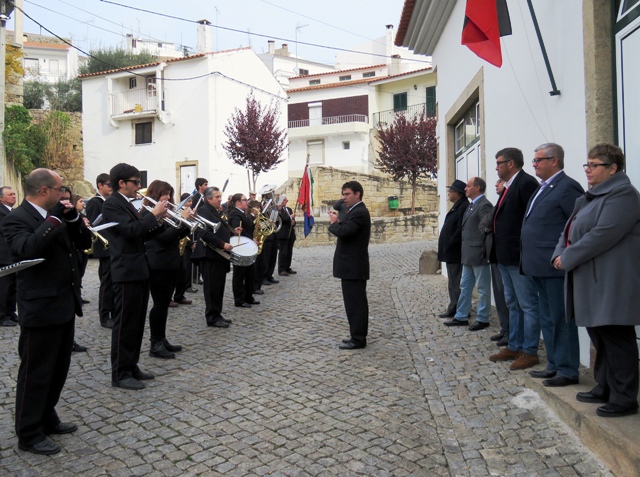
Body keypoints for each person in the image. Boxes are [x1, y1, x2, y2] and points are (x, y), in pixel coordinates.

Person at [3, 168, 92, 455]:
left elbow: (83, 245)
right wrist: (54, 220)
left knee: (58, 370)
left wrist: (74, 220)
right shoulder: (16, 219)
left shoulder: (57, 217)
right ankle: (28, 433)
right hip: (39, 307)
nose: (63, 194)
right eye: (60, 190)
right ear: (44, 191)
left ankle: (46, 415)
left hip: (64, 303)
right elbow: (26, 248)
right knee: (36, 372)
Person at [553, 144, 640, 418]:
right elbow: (568, 230)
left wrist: (567, 257)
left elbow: (603, 234)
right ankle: (605, 385)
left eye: (594, 165)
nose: (588, 170)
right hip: (590, 279)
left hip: (612, 281)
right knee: (599, 335)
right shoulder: (589, 197)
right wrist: (559, 251)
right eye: (586, 165)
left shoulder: (623, 195)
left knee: (616, 336)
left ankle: (625, 397)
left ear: (613, 169)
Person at [521, 143, 584, 387]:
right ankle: (554, 364)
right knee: (547, 318)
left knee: (560, 319)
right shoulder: (543, 188)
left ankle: (568, 370)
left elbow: (576, 225)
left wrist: (566, 255)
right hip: (537, 265)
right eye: (534, 160)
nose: (534, 164)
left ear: (554, 161)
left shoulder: (567, 187)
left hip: (555, 267)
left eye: (538, 160)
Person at [102, 164, 166, 390]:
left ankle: (132, 365)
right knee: (124, 325)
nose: (139, 187)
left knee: (137, 323)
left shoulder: (126, 204)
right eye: (136, 182)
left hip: (138, 269)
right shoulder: (111, 204)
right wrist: (152, 214)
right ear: (122, 183)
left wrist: (159, 221)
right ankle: (120, 373)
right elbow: (131, 231)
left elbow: (142, 232)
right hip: (126, 271)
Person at [488, 147, 541, 371]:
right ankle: (514, 344)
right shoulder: (509, 186)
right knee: (513, 303)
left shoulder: (526, 183)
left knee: (527, 304)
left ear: (511, 164)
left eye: (499, 162)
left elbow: (532, 219)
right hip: (504, 256)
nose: (496, 167)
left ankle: (529, 351)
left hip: (518, 256)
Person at [142, 180, 190, 359]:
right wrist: (183, 220)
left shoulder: (166, 213)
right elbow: (163, 238)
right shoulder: (148, 213)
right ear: (155, 195)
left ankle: (161, 338)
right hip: (157, 264)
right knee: (160, 305)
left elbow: (176, 235)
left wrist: (186, 224)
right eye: (164, 194)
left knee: (163, 305)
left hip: (170, 262)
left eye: (169, 194)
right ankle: (155, 343)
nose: (168, 198)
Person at [444, 177, 493, 330]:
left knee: (483, 288)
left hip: (478, 254)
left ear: (477, 188)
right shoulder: (472, 205)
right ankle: (461, 316)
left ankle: (483, 318)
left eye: (468, 186)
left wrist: (482, 248)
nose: (465, 189)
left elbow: (486, 228)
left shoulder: (484, 205)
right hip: (467, 254)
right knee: (465, 286)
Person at [328, 181, 371, 350]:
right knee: (352, 304)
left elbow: (345, 232)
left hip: (354, 266)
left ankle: (359, 338)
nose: (343, 198)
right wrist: (339, 221)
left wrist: (334, 223)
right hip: (350, 266)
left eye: (347, 194)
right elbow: (347, 228)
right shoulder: (354, 211)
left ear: (357, 194)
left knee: (356, 304)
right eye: (343, 194)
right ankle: (356, 335)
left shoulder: (359, 212)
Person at [197, 186, 236, 327]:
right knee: (211, 288)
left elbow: (220, 228)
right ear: (208, 199)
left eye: (220, 197)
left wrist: (232, 231)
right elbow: (205, 234)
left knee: (218, 287)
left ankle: (217, 313)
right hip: (210, 255)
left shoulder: (215, 211)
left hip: (219, 255)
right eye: (217, 197)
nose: (220, 199)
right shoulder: (203, 211)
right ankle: (212, 317)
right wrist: (222, 244)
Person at [60, 187, 89, 354]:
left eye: (68, 199)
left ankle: (70, 340)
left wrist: (77, 223)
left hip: (71, 271)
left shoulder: (70, 217)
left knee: (70, 310)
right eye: (62, 198)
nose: (66, 203)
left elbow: (84, 243)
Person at [437, 180, 469, 318]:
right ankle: (453, 307)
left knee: (456, 282)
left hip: (455, 251)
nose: (448, 194)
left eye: (450, 191)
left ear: (457, 193)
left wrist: (450, 242)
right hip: (451, 251)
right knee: (452, 282)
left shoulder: (463, 206)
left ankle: (458, 308)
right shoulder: (458, 205)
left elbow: (460, 229)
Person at [85, 173, 114, 328]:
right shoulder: (95, 203)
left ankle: (113, 312)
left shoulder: (108, 201)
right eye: (109, 185)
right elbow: (94, 227)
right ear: (100, 185)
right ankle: (104, 316)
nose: (111, 188)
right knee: (106, 283)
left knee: (112, 282)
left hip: (112, 247)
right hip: (104, 248)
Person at [487, 180, 510, 346]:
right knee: (499, 296)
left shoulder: (507, 202)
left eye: (500, 182)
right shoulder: (497, 203)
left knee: (507, 297)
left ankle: (510, 331)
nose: (496, 185)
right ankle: (505, 329)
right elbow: (485, 223)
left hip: (505, 256)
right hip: (494, 255)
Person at [228, 193, 260, 308]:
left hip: (248, 247)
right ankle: (239, 300)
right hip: (241, 248)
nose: (247, 202)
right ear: (238, 202)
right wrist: (251, 240)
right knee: (239, 275)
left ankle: (248, 296)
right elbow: (238, 231)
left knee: (250, 273)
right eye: (245, 200)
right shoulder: (235, 214)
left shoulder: (243, 213)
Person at [0, 186, 18, 327]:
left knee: (13, 286)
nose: (14, 196)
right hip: (3, 254)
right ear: (1, 198)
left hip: (12, 254)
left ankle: (11, 312)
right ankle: (2, 315)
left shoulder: (13, 212)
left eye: (14, 194)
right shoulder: (1, 212)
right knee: (4, 287)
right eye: (10, 194)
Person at [277, 194, 298, 276]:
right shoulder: (278, 210)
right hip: (283, 234)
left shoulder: (289, 209)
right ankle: (281, 269)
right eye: (283, 200)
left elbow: (293, 221)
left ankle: (287, 267)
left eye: (285, 200)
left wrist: (293, 222)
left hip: (290, 233)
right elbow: (283, 219)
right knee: (283, 252)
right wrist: (290, 217)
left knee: (289, 252)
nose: (285, 202)